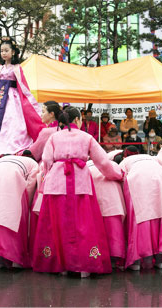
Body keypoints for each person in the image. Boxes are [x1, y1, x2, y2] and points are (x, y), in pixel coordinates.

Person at [30, 107, 123, 277]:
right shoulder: (86, 137)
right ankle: (84, 266)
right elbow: (102, 162)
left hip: (56, 183)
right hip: (80, 182)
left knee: (57, 224)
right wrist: (118, 175)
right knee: (83, 225)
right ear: (78, 120)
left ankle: (60, 265)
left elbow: (46, 161)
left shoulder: (54, 137)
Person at [0, 36, 45, 157]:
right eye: (2, 51)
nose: (3, 53)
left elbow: (23, 86)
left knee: (11, 123)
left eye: (6, 50)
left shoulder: (17, 68)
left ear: (13, 52)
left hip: (12, 99)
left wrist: (31, 104)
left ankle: (9, 147)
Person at [0, 155, 40, 269]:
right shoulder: (34, 165)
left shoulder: (3, 160)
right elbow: (30, 186)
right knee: (11, 220)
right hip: (10, 182)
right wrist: (27, 206)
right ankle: (15, 260)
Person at [119, 146, 162, 270]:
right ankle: (159, 260)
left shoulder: (124, 162)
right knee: (161, 215)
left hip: (138, 179)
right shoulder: (152, 158)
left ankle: (136, 261)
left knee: (139, 217)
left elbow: (119, 179)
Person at [87, 151, 128, 269]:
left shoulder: (85, 166)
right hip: (112, 201)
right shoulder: (113, 165)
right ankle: (115, 258)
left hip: (92, 202)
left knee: (94, 231)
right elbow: (121, 178)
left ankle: (95, 257)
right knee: (114, 231)